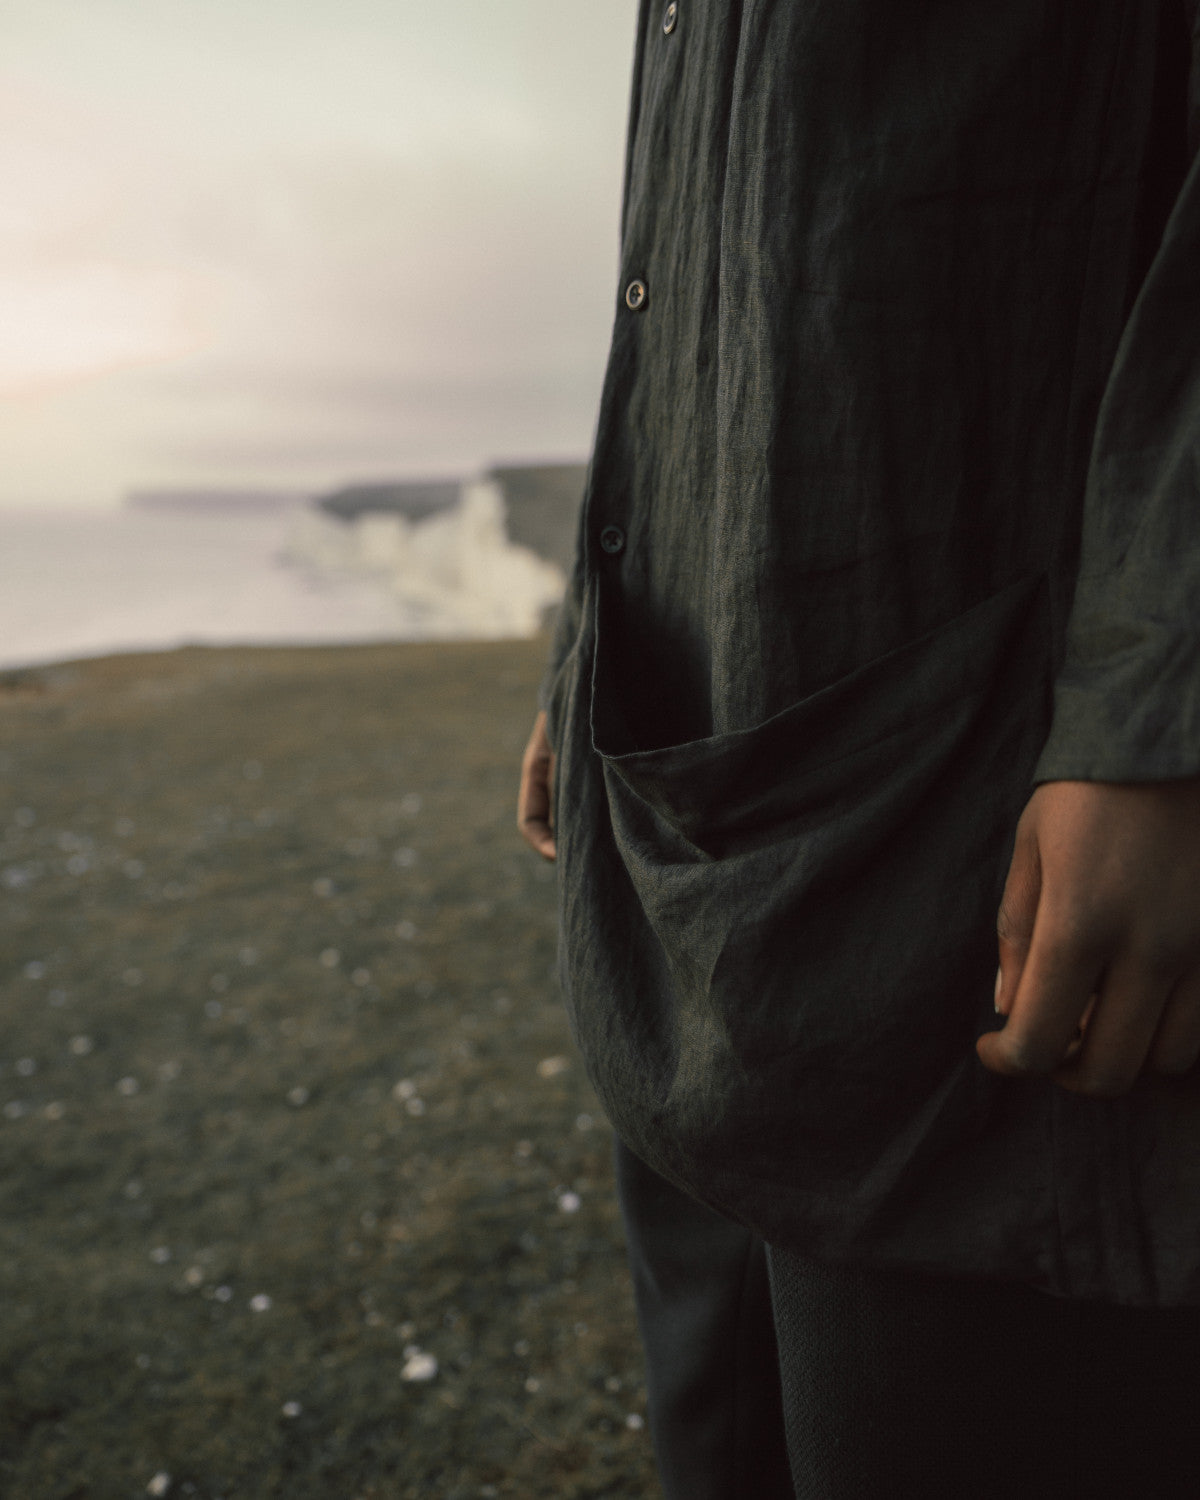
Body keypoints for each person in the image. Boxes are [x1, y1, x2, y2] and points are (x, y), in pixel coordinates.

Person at [519, 3, 1200, 1495]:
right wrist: (593, 636)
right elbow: (678, 249)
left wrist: (1163, 711)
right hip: (690, 764)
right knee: (724, 1437)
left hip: (990, 781)